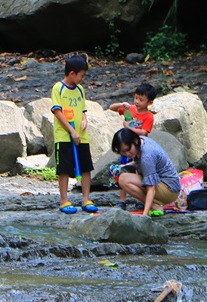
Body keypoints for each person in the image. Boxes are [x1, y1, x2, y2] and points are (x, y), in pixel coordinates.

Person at [51, 55, 97, 214]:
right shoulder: (58, 88)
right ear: (72, 73)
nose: (82, 79)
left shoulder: (80, 90)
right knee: (64, 168)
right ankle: (64, 200)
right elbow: (57, 111)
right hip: (64, 136)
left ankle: (86, 199)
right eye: (81, 75)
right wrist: (71, 131)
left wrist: (84, 120)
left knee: (86, 167)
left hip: (81, 136)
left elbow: (83, 110)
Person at [110, 127, 181, 217]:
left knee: (123, 179)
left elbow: (151, 188)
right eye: (123, 152)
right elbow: (139, 163)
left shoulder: (147, 156)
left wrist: (144, 215)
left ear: (135, 141)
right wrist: (123, 167)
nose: (127, 154)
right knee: (123, 176)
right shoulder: (142, 141)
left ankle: (154, 205)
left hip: (169, 190)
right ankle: (154, 204)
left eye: (128, 149)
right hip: (168, 185)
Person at [108, 83, 158, 208]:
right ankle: (122, 200)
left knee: (139, 173)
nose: (137, 102)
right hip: (126, 147)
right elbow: (111, 108)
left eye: (141, 100)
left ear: (149, 102)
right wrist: (121, 105)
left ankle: (140, 200)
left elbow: (144, 132)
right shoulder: (130, 109)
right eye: (136, 98)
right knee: (123, 170)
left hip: (138, 149)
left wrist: (128, 127)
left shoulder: (149, 116)